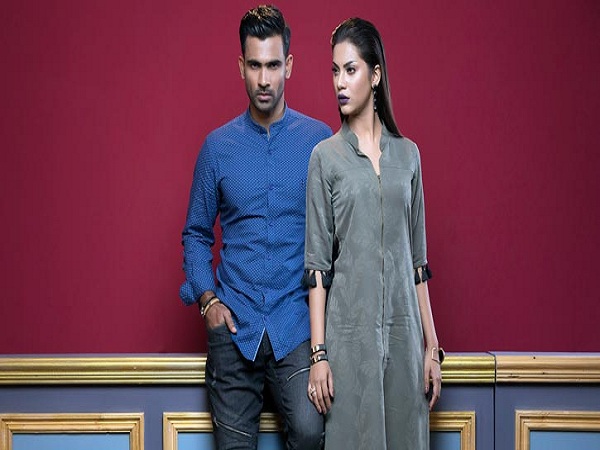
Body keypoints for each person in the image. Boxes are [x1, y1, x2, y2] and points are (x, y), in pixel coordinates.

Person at [179, 5, 332, 450]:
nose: (264, 79)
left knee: (311, 433)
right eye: (254, 65)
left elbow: (336, 237)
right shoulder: (217, 148)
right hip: (234, 324)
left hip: (296, 323)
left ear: (289, 66)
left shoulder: (319, 143)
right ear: (240, 66)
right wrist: (208, 301)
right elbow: (195, 233)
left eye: (273, 65)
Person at [303, 18, 443, 449]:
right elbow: (317, 268)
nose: (340, 83)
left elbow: (417, 263)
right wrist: (319, 355)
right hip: (348, 342)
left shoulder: (409, 156)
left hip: (404, 340)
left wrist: (431, 347)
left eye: (351, 70)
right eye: (335, 71)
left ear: (375, 75)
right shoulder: (325, 158)